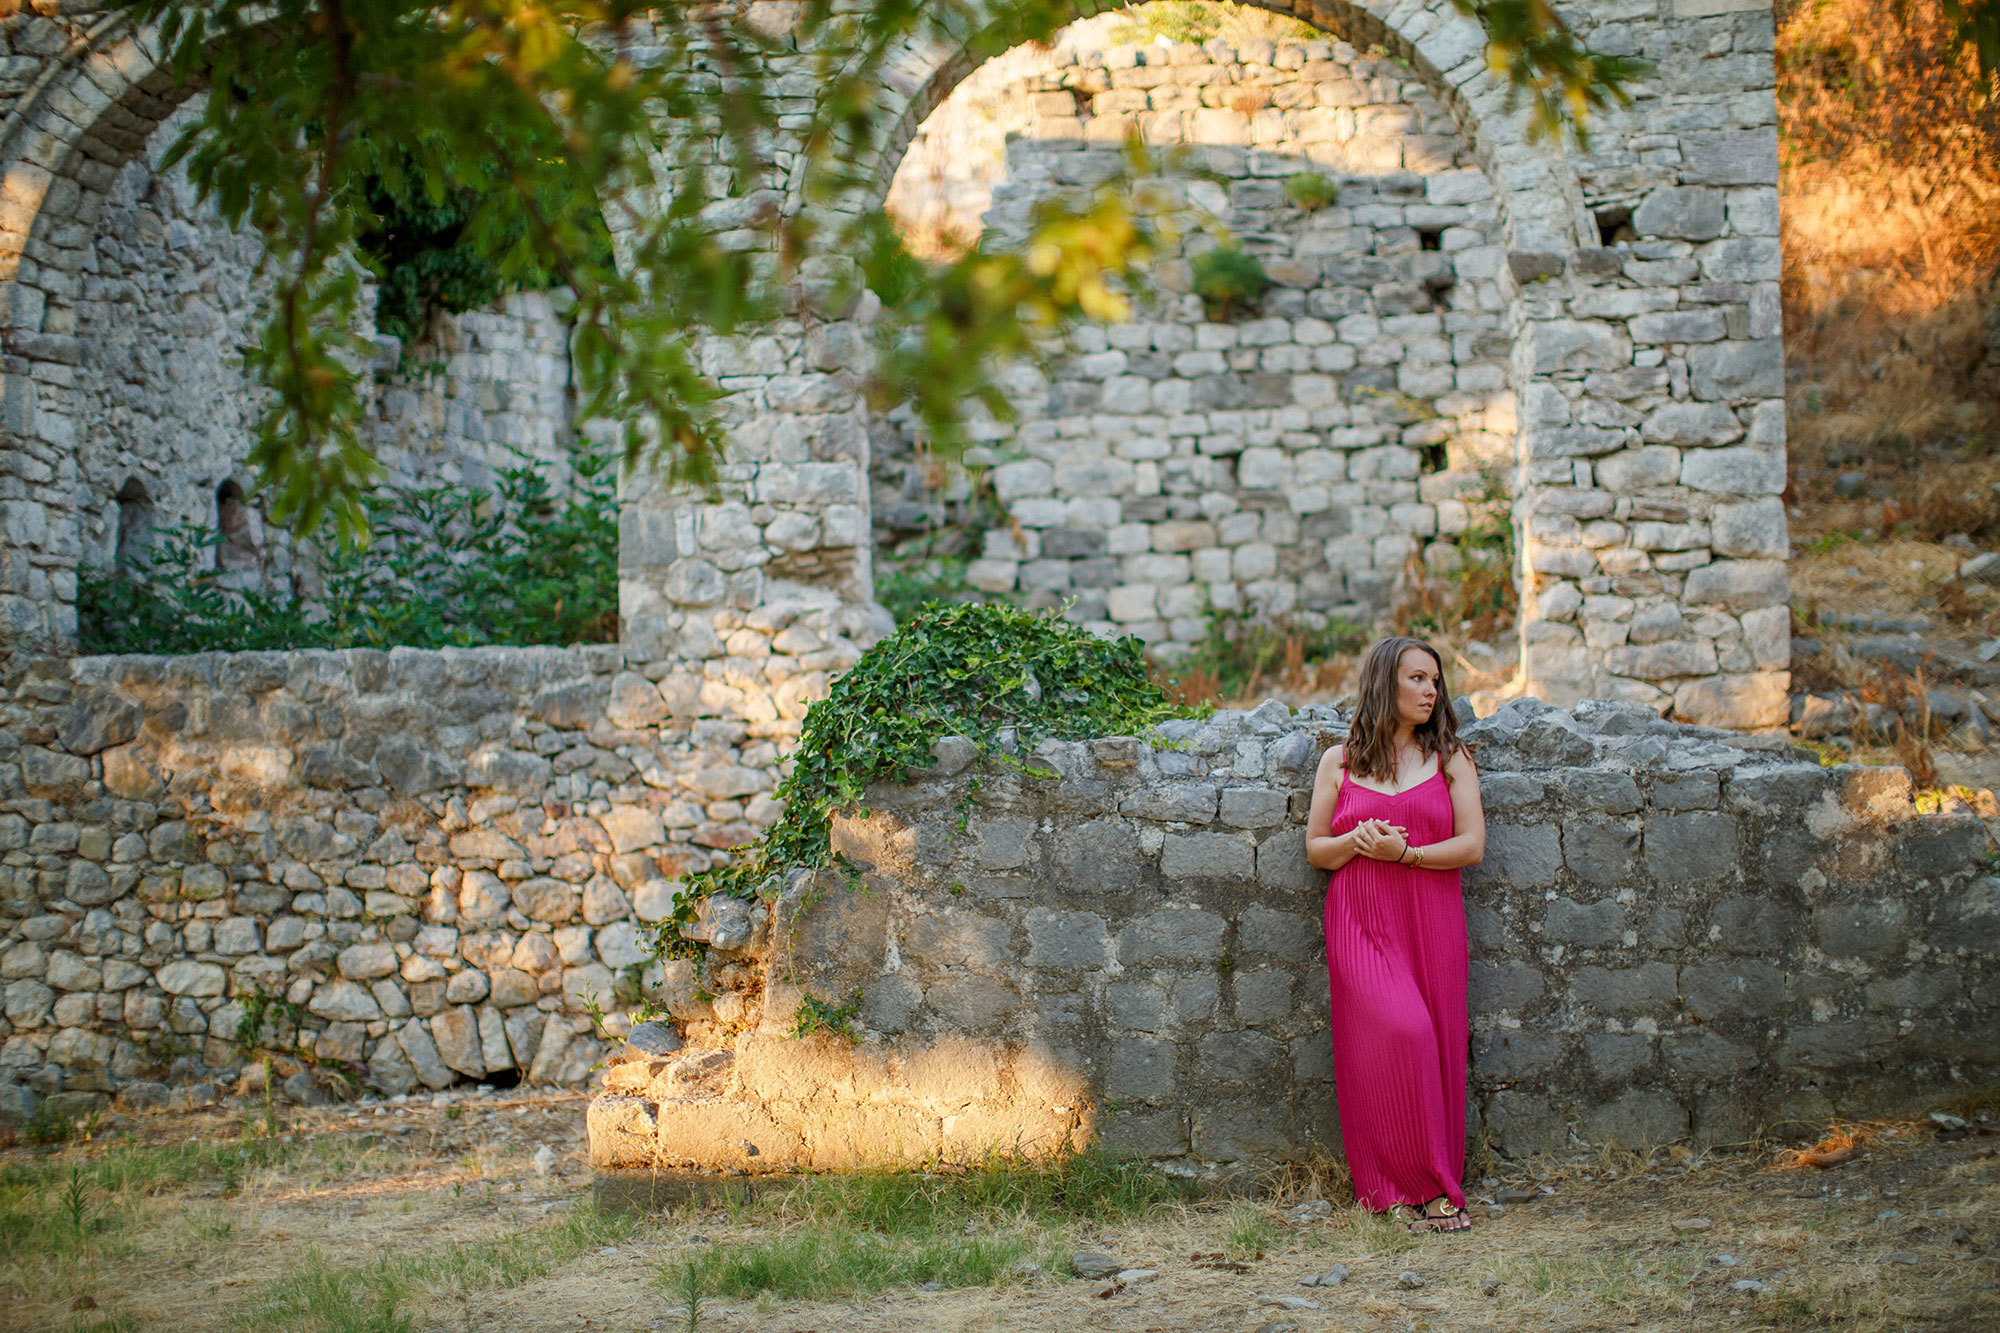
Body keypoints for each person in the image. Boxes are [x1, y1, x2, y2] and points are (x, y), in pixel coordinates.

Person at [1305, 635, 1486, 1234]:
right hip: (1360, 917)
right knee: (1397, 1033)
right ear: (1385, 683)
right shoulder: (1340, 761)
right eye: (1417, 679)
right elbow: (1315, 850)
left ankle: (1432, 1185)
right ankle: (1387, 1184)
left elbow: (1472, 846)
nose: (1431, 690)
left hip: (1430, 916)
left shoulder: (1452, 757)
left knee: (1435, 1043)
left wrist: (1404, 853)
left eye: (1435, 681)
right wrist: (1357, 842)